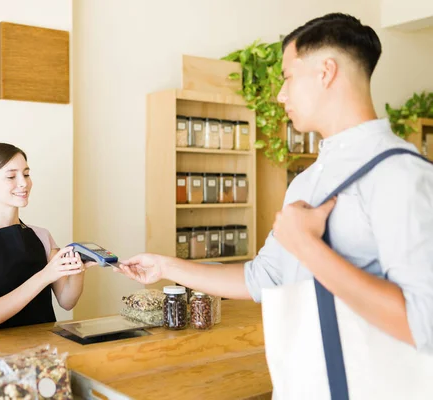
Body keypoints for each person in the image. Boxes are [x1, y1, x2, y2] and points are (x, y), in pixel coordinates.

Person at [118, 13, 433, 353]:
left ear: (325, 72)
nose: (281, 95)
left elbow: (423, 322)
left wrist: (308, 247)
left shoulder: (401, 175)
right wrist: (166, 266)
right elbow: (262, 277)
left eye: (288, 77)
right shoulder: (306, 182)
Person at [0, 142, 91, 329]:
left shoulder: (42, 235)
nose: (23, 183)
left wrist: (78, 270)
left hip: (44, 349)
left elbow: (67, 302)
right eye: (11, 176)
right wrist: (45, 275)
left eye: (26, 174)